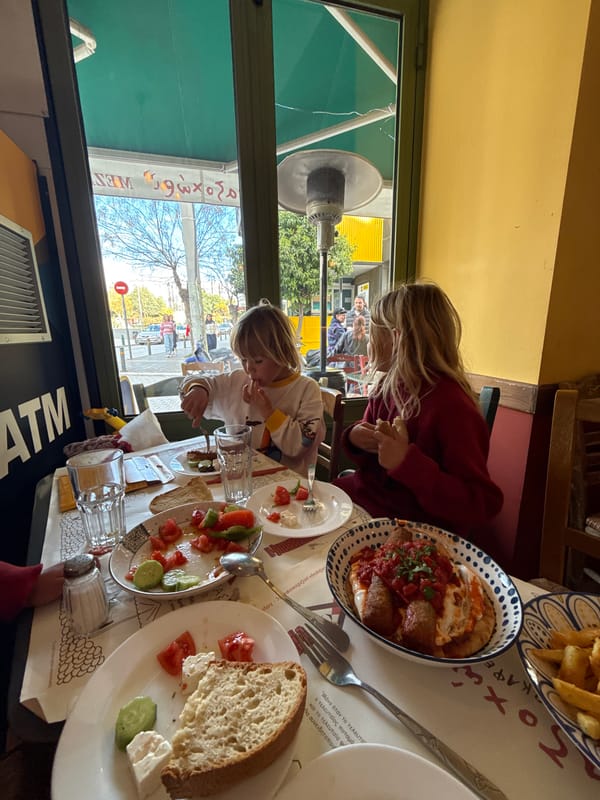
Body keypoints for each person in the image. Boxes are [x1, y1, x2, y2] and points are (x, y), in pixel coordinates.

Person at [334, 282, 503, 539]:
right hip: (366, 506)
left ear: (398, 338)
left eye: (374, 332)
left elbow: (482, 503)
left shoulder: (452, 406)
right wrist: (355, 437)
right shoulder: (385, 388)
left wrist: (406, 463)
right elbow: (370, 465)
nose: (368, 341)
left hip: (415, 534)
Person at [180, 300, 324, 477]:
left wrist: (268, 411)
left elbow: (300, 446)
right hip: (239, 484)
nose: (249, 368)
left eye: (258, 361)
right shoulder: (238, 381)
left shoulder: (307, 390)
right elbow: (200, 381)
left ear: (283, 353)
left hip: (289, 490)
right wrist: (199, 389)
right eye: (243, 359)